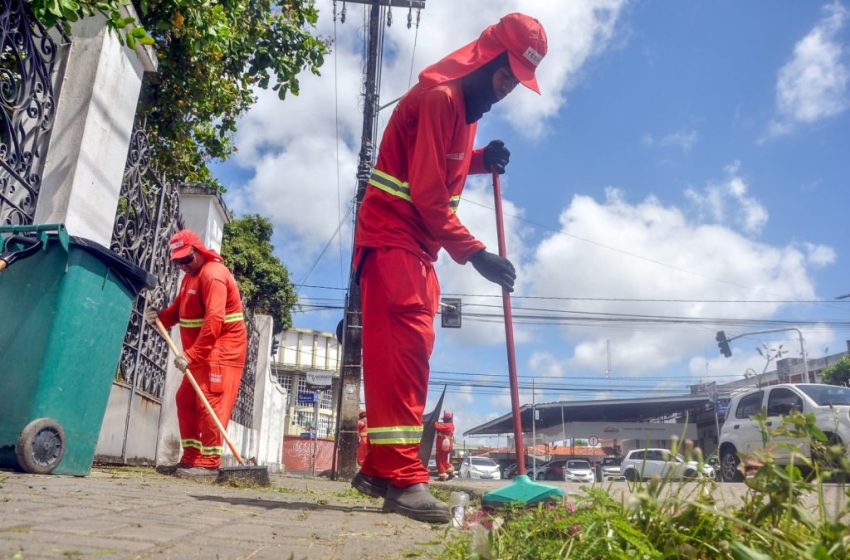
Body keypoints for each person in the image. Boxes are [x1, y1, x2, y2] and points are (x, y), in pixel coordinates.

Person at [349, 12, 548, 523]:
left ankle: (377, 470)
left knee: (400, 355)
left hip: (410, 246)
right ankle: (405, 484)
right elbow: (429, 192)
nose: (507, 90)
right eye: (507, 77)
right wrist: (476, 252)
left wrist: (482, 160)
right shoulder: (442, 97)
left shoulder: (467, 106)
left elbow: (444, 160)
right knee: (407, 357)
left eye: (517, 84)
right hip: (396, 241)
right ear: (488, 58)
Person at [146, 229, 248, 478]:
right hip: (202, 352)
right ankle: (191, 458)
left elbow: (214, 320)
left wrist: (191, 355)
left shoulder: (213, 275)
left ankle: (209, 461)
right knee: (186, 400)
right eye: (178, 261)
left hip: (221, 351)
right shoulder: (190, 278)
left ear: (199, 251)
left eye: (187, 259)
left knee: (209, 403)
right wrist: (159, 318)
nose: (183, 265)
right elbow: (179, 311)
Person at [434, 411, 455, 481]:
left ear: (446, 419)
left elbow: (436, 426)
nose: (443, 421)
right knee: (444, 460)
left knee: (439, 460)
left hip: (442, 445)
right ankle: (451, 472)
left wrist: (435, 422)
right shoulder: (452, 425)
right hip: (448, 445)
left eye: (444, 419)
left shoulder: (447, 425)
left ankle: (442, 476)